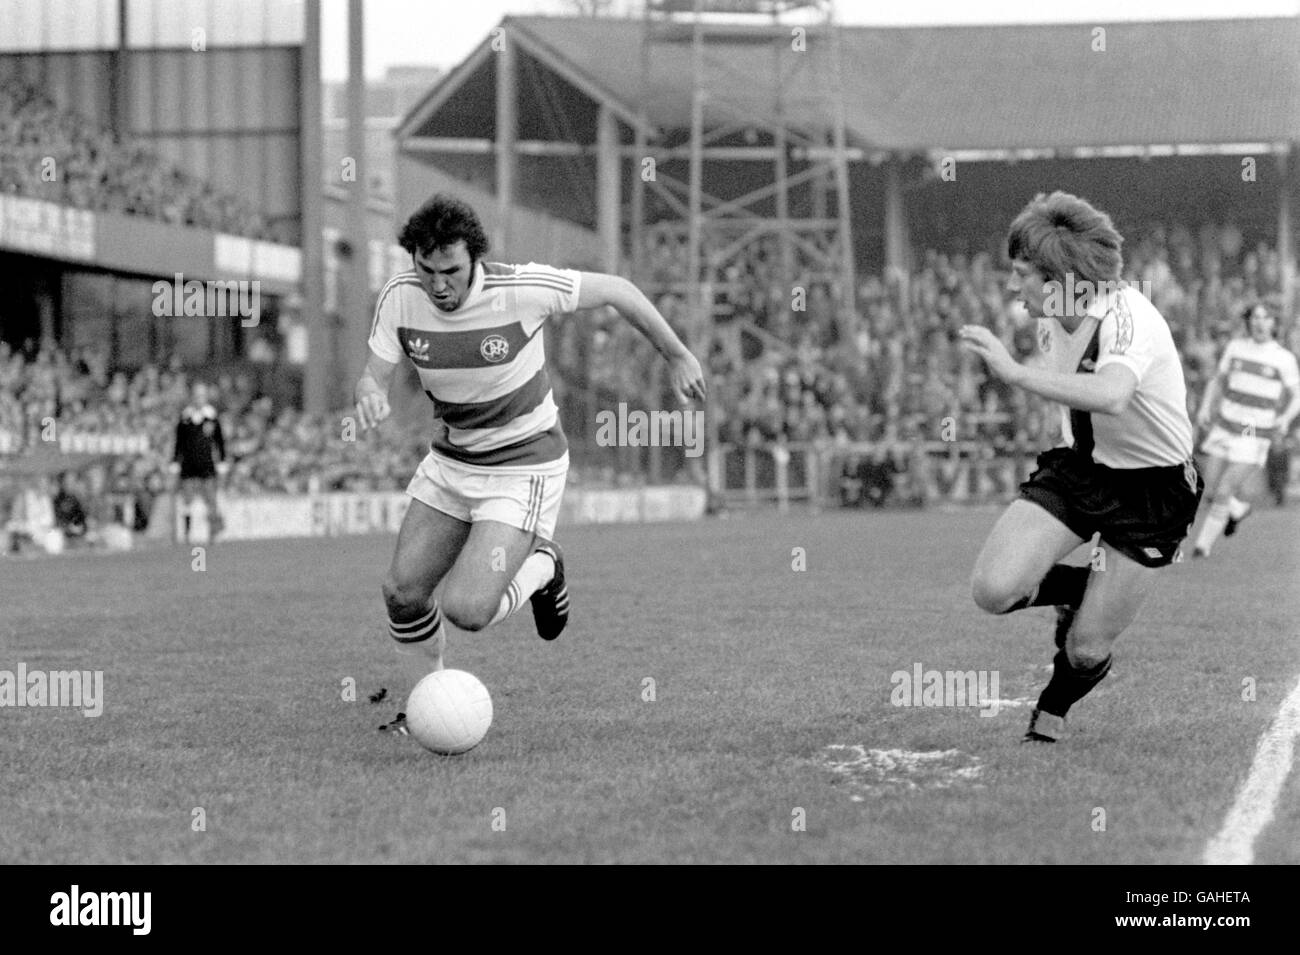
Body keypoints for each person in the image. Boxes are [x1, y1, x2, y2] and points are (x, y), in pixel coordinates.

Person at [357, 194, 706, 733]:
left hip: (523, 468)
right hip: (452, 464)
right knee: (402, 594)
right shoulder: (400, 297)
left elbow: (618, 290)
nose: (438, 284)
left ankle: (546, 566)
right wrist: (370, 393)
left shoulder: (521, 289)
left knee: (468, 610)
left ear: (475, 258)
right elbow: (374, 372)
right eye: (426, 271)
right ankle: (423, 703)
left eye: (450, 270)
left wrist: (677, 354)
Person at [959, 191, 1203, 743]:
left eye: (1022, 273)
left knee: (1087, 647)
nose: (1013, 285)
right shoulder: (1053, 318)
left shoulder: (1129, 315)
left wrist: (1015, 374)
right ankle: (1079, 589)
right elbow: (1082, 412)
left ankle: (1050, 713)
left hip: (1153, 493)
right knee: (992, 590)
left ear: (1061, 276)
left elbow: (1112, 394)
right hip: (1084, 471)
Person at [1188, 302, 1299, 557]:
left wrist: (1284, 419)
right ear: (1249, 321)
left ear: (1274, 323)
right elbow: (1218, 380)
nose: (1260, 322)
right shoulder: (1236, 348)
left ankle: (1202, 547)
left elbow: (1297, 394)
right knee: (1211, 489)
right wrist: (1206, 407)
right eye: (1256, 317)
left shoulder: (1283, 358)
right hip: (1225, 425)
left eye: (1266, 317)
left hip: (1253, 431)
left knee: (1225, 489)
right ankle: (1236, 510)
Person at [171, 381, 227, 543]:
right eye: (196, 395)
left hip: (206, 464)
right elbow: (179, 442)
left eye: (202, 395)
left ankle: (213, 534)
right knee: (187, 500)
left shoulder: (212, 417)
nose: (199, 399)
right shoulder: (185, 418)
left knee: (211, 499)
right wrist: (175, 461)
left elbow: (220, 442)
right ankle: (187, 534)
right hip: (188, 464)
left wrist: (222, 462)